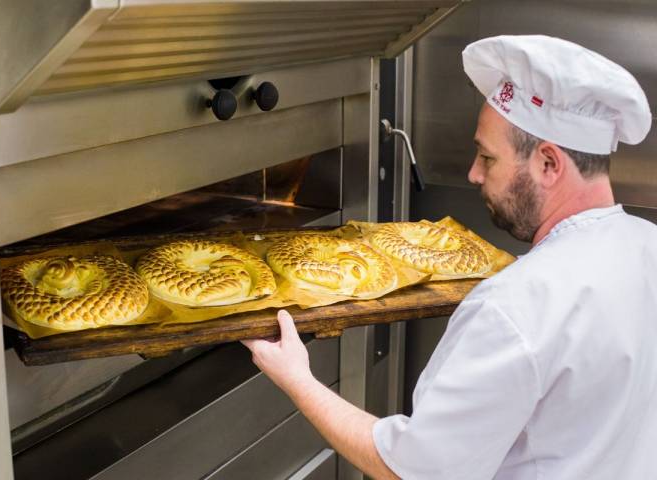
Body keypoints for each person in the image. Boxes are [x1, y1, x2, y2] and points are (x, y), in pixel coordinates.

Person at [242, 35, 657, 479]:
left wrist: (297, 378)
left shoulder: (515, 306)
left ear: (549, 164)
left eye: (486, 157)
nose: (474, 174)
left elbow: (408, 471)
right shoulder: (648, 245)